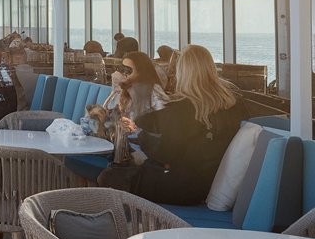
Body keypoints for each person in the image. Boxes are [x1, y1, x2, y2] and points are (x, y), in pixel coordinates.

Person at [99, 45, 246, 204]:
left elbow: (164, 153)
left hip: (183, 187)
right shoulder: (233, 104)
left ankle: (130, 223)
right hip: (211, 179)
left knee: (109, 176)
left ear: (183, 72)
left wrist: (140, 136)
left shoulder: (183, 108)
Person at [105, 50, 167, 121]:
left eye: (129, 70)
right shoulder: (123, 89)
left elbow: (163, 116)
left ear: (141, 71)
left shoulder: (154, 88)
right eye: (123, 69)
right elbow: (110, 110)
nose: (125, 73)